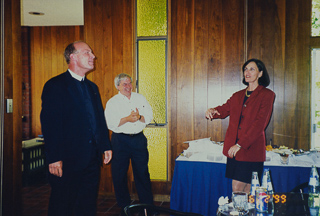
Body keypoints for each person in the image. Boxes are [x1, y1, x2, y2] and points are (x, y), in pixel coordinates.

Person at [40, 41, 112, 216]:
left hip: (91, 160)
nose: (93, 56)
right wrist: (54, 157)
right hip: (66, 160)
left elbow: (98, 120)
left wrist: (105, 145)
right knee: (62, 206)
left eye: (92, 52)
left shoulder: (92, 88)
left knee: (87, 206)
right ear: (72, 57)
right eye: (87, 52)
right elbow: (50, 124)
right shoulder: (55, 85)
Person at [205, 58, 275, 193]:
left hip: (250, 150)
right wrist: (213, 111)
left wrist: (240, 144)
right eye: (245, 69)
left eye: (252, 69)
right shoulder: (237, 95)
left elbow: (260, 124)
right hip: (234, 152)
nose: (247, 72)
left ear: (260, 73)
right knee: (246, 190)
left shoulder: (267, 95)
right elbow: (224, 109)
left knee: (238, 189)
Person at [104, 73, 154, 214]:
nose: (128, 86)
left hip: (138, 139)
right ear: (118, 86)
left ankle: (147, 208)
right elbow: (110, 123)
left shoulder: (140, 98)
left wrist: (139, 117)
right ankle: (125, 207)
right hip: (120, 141)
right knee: (119, 175)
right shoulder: (112, 102)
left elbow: (149, 116)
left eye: (129, 83)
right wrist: (126, 119)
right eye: (124, 84)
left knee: (142, 173)